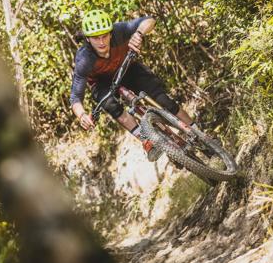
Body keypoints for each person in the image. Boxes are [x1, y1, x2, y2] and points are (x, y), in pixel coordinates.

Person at [70, 9, 196, 161]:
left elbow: (149, 20)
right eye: (96, 38)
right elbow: (76, 97)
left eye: (104, 36)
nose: (102, 42)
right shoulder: (84, 59)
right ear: (88, 39)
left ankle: (198, 133)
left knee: (164, 101)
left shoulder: (119, 30)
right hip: (101, 82)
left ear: (111, 33)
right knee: (113, 107)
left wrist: (139, 33)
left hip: (127, 68)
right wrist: (82, 115)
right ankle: (146, 141)